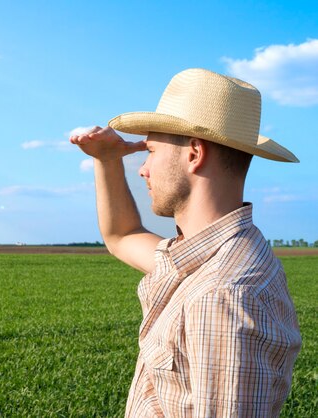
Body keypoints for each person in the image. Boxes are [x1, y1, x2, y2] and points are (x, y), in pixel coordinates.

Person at [70, 68, 301, 417]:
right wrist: (107, 160)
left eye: (149, 150)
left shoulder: (222, 295)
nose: (143, 168)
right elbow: (123, 236)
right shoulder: (210, 257)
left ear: (194, 153)